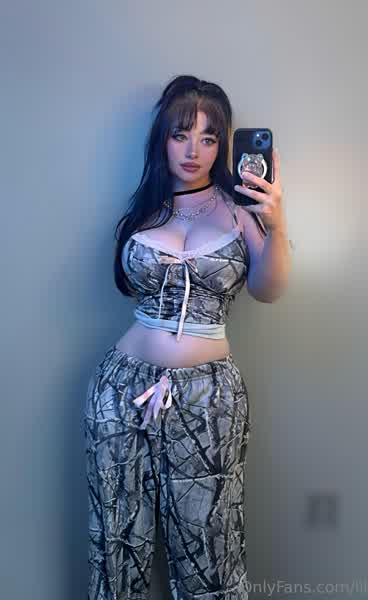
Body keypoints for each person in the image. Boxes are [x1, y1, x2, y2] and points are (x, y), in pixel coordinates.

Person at [84, 74, 291, 600]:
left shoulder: (241, 211)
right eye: (181, 134)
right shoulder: (146, 209)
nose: (193, 151)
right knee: (117, 542)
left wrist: (277, 222)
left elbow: (268, 290)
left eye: (208, 137)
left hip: (209, 399)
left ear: (223, 146)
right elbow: (127, 283)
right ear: (163, 139)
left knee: (209, 547)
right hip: (120, 391)